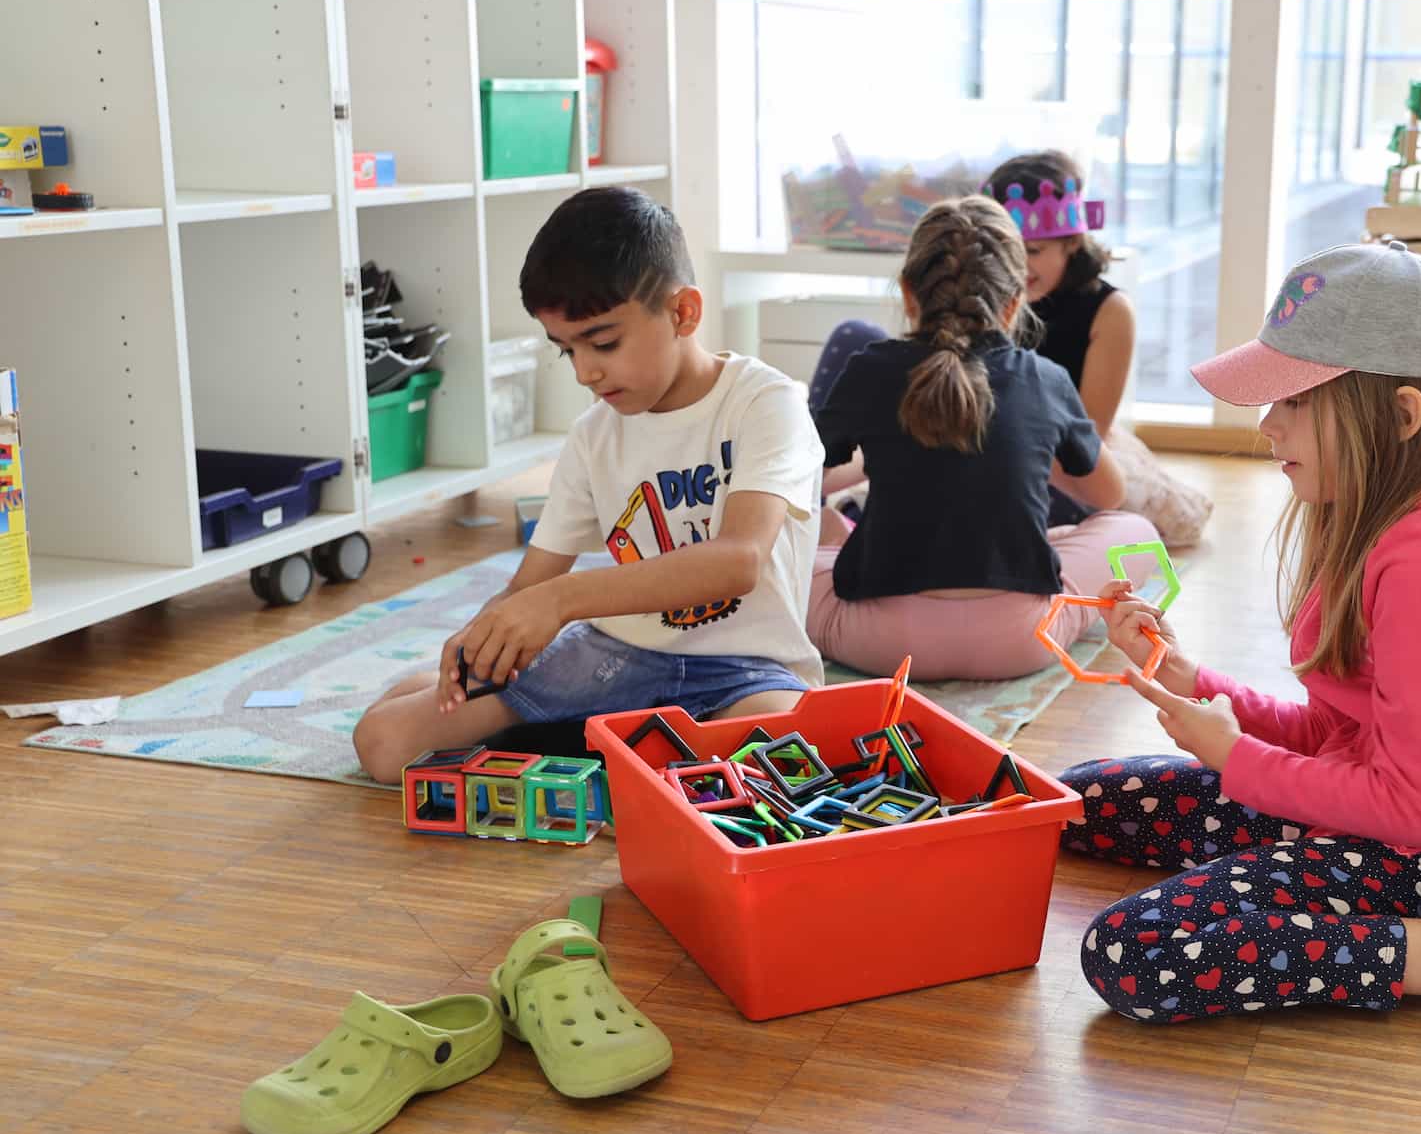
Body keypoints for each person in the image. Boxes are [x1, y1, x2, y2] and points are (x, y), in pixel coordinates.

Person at [1062, 241, 1421, 1022]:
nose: (1268, 425)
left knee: (1135, 954)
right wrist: (1190, 680)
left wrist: (1233, 754)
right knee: (1076, 800)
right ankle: (1298, 875)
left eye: (1294, 401)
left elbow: (1407, 810)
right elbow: (1343, 734)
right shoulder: (1388, 521)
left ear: (1401, 414)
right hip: (1388, 814)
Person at [353, 188, 824, 784]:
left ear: (683, 313)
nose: (585, 372)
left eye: (603, 343)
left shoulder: (767, 403)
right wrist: (480, 635)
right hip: (606, 663)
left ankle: (575, 737)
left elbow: (738, 561)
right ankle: (584, 733)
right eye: (565, 350)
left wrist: (562, 601)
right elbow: (531, 585)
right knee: (383, 744)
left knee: (784, 762)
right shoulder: (593, 435)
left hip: (745, 669)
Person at [807, 195, 1156, 680]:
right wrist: (1040, 445)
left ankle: (841, 536)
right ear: (1016, 302)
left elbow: (805, 479)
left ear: (909, 293)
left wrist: (877, 458)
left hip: (881, 645)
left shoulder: (869, 367)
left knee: (794, 543)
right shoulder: (1044, 378)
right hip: (1022, 642)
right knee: (1135, 533)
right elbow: (1108, 495)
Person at [981, 149, 1214, 546]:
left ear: (1072, 241)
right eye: (1005, 252)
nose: (1017, 267)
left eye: (1033, 251)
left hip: (1064, 453)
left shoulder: (1109, 311)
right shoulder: (985, 290)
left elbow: (1089, 434)